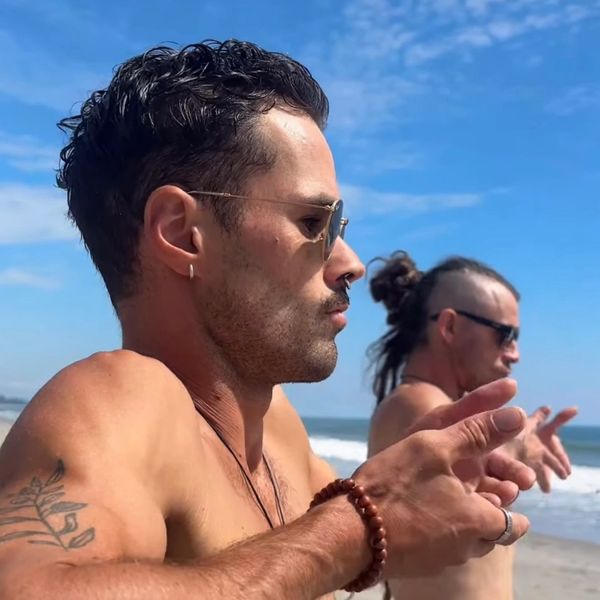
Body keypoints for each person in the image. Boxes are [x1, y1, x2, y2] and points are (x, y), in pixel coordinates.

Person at [0, 41, 534, 599]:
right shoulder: (123, 399)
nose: (351, 263)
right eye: (313, 223)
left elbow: (334, 538)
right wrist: (355, 530)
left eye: (339, 228)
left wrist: (420, 487)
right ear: (183, 233)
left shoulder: (275, 424)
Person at [367, 251, 577, 600]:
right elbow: (461, 443)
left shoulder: (422, 404)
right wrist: (520, 440)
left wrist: (522, 442)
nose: (515, 353)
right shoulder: (417, 403)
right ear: (449, 327)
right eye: (505, 334)